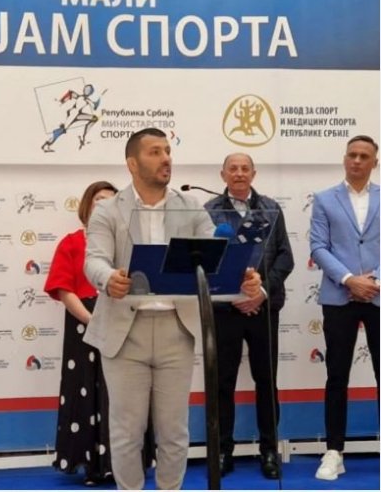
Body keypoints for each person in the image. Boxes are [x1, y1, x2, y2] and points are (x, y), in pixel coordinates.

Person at [82, 128, 263, 490]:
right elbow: (94, 259)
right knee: (126, 432)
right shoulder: (108, 209)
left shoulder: (191, 206)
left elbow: (214, 255)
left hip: (176, 330)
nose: (166, 158)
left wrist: (242, 276)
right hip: (123, 333)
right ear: (132, 163)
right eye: (155, 152)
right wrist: (108, 278)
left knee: (174, 432)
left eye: (167, 150)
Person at [204, 153, 294, 479]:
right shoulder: (209, 211)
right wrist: (236, 294)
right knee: (222, 382)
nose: (239, 173)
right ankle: (222, 451)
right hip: (225, 309)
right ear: (223, 174)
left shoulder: (270, 208)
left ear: (253, 174)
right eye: (233, 169)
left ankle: (269, 450)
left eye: (245, 169)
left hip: (263, 309)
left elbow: (285, 257)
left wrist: (261, 292)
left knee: (266, 381)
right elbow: (205, 260)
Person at [310, 135, 379, 481]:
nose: (357, 160)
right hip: (339, 296)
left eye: (364, 156)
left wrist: (373, 280)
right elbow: (318, 247)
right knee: (336, 376)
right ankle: (334, 451)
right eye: (352, 154)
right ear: (344, 159)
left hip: (378, 295)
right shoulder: (324, 199)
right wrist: (350, 279)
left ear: (374, 163)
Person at [44, 181, 117, 485]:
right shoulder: (72, 243)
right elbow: (63, 289)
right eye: (99, 199)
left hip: (122, 321)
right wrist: (91, 320)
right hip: (83, 323)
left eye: (111, 200)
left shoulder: (125, 243)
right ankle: (91, 464)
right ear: (87, 205)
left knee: (123, 392)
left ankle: (123, 463)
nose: (104, 205)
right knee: (85, 391)